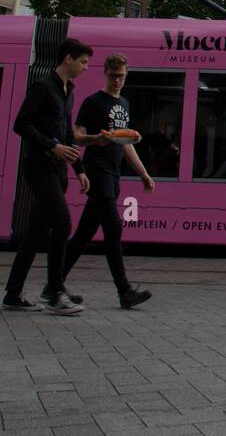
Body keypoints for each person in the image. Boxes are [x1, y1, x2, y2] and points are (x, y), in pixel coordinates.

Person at [2, 38, 93, 315]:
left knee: (35, 233)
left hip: (58, 170)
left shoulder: (69, 91)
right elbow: (21, 124)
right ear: (68, 59)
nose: (85, 67)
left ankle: (13, 294)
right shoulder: (42, 87)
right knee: (63, 223)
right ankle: (54, 291)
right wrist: (51, 145)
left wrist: (79, 170)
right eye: (83, 62)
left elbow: (67, 134)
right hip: (39, 167)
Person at [61, 53, 154, 310]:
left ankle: (54, 283)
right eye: (114, 76)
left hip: (113, 175)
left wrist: (143, 174)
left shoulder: (124, 103)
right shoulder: (93, 102)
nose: (117, 81)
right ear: (105, 73)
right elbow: (76, 136)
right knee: (113, 229)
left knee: (83, 235)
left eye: (122, 76)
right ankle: (124, 291)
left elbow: (126, 143)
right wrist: (95, 139)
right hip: (97, 171)